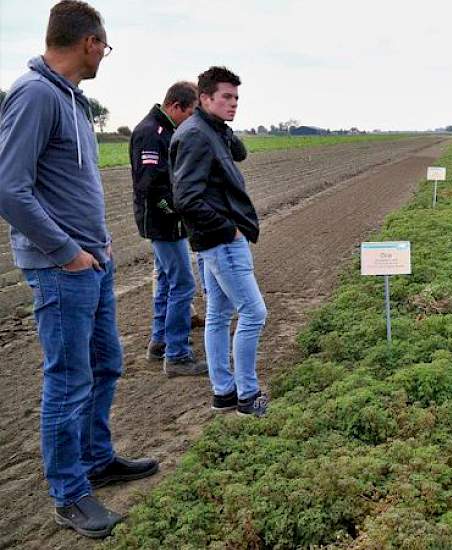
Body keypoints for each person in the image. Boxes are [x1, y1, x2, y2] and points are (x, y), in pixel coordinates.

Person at [0, 1, 158, 538]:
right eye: (104, 47)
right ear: (90, 42)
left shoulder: (71, 98)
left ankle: (95, 459)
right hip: (61, 269)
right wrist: (67, 250)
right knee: (68, 382)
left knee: (105, 364)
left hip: (93, 261)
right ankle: (69, 495)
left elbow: (70, 183)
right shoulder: (36, 94)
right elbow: (10, 189)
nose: (104, 57)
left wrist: (99, 242)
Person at [170, 66, 268, 417]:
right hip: (222, 241)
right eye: (226, 97)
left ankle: (223, 393)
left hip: (212, 242)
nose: (234, 103)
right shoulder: (196, 134)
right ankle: (248, 395)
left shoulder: (210, 130)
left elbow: (239, 155)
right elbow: (186, 198)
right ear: (204, 98)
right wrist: (229, 230)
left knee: (218, 315)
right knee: (254, 313)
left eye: (237, 98)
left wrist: (224, 127)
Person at [131, 81, 209, 376]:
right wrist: (177, 211)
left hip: (170, 221)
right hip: (163, 223)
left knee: (166, 279)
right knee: (183, 284)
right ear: (175, 106)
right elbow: (151, 187)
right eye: (190, 113)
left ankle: (160, 342)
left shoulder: (168, 130)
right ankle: (177, 355)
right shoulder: (152, 133)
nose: (192, 121)